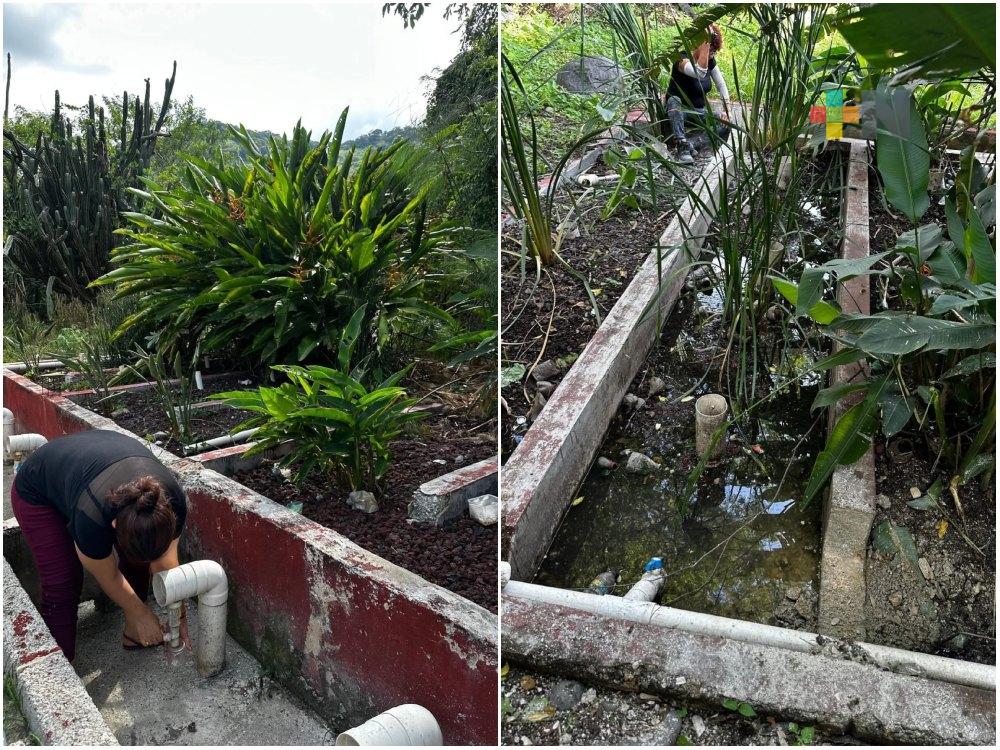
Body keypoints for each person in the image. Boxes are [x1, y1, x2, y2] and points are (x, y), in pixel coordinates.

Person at [10, 429, 189, 660]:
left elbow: (166, 564)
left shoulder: (171, 503)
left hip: (94, 464)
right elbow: (110, 577)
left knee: (137, 562)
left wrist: (179, 615)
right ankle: (60, 668)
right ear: (113, 525)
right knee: (63, 580)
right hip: (37, 490)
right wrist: (141, 612)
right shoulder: (91, 518)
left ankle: (133, 632)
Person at [665, 23, 731, 164]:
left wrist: (727, 109)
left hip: (699, 113)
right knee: (673, 100)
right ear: (700, 45)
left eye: (713, 51)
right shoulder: (681, 59)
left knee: (726, 124)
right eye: (710, 49)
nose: (711, 55)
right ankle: (682, 145)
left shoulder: (710, 61)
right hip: (679, 112)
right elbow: (699, 73)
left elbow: (721, 85)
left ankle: (692, 144)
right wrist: (705, 40)